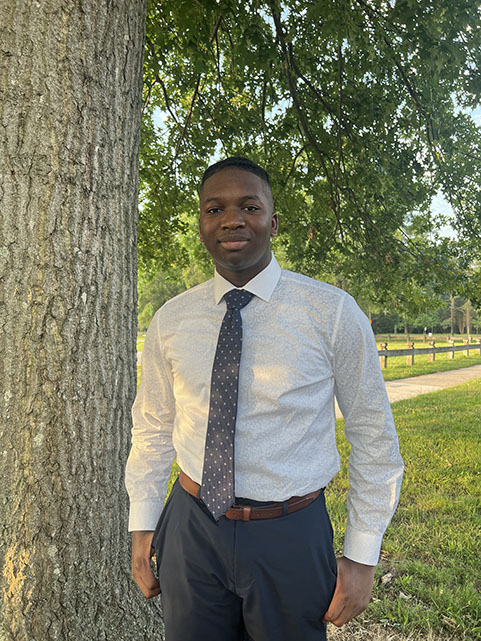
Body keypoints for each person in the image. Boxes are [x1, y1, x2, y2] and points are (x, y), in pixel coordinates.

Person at [125, 157, 404, 641]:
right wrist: (142, 524)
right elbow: (152, 428)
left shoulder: (331, 313)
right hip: (192, 529)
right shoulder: (171, 321)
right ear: (201, 225)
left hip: (290, 534)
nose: (232, 218)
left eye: (249, 206)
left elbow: (375, 441)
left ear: (273, 222)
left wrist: (362, 555)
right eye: (215, 208)